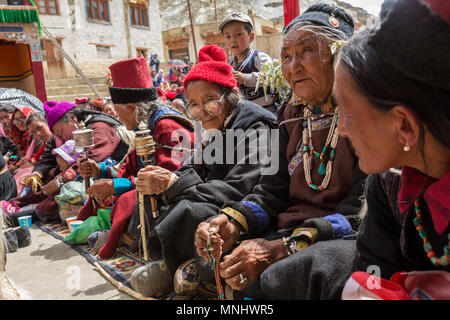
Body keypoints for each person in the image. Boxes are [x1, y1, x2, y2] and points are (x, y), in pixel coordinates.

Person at [194, 4, 367, 300]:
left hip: (336, 234)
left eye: (306, 51)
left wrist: (284, 247)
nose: (292, 66)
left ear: (339, 56)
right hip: (291, 228)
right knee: (222, 252)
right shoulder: (290, 113)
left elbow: (359, 212)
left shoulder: (363, 115)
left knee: (290, 271)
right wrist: (234, 222)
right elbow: (272, 188)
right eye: (286, 56)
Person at [128, 44, 277, 298]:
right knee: (160, 194)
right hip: (221, 193)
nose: (202, 112)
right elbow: (192, 166)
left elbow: (243, 185)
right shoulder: (215, 126)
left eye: (210, 100)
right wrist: (173, 182)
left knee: (192, 210)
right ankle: (167, 257)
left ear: (229, 97)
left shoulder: (255, 125)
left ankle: (179, 267)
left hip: (249, 207)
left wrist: (178, 184)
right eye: (194, 105)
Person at [76, 56, 194, 259]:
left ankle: (134, 237)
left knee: (129, 200)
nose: (118, 119)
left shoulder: (166, 127)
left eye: (119, 110)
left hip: (179, 194)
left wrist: (115, 186)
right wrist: (101, 170)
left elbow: (167, 178)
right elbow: (133, 167)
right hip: (152, 187)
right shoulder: (146, 125)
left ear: (131, 107)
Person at [4, 99, 132, 224]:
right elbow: (47, 158)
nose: (61, 138)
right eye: (57, 135)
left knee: (70, 187)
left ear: (73, 118)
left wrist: (60, 180)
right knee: (46, 179)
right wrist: (37, 174)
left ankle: (37, 212)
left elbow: (91, 158)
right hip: (82, 170)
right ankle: (18, 204)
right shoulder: (60, 135)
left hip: (111, 172)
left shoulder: (99, 127)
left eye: (60, 132)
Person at [3, 140, 83, 227]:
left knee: (32, 212)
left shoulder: (75, 168)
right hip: (45, 199)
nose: (57, 160)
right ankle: (14, 203)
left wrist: (56, 183)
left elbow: (68, 176)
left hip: (53, 207)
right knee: (34, 196)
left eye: (60, 157)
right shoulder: (62, 171)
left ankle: (12, 214)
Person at [219, 12, 278, 114]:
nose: (233, 40)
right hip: (245, 114)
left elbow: (271, 77)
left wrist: (245, 78)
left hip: (267, 110)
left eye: (238, 34)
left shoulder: (259, 57)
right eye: (228, 37)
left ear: (251, 36)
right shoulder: (230, 67)